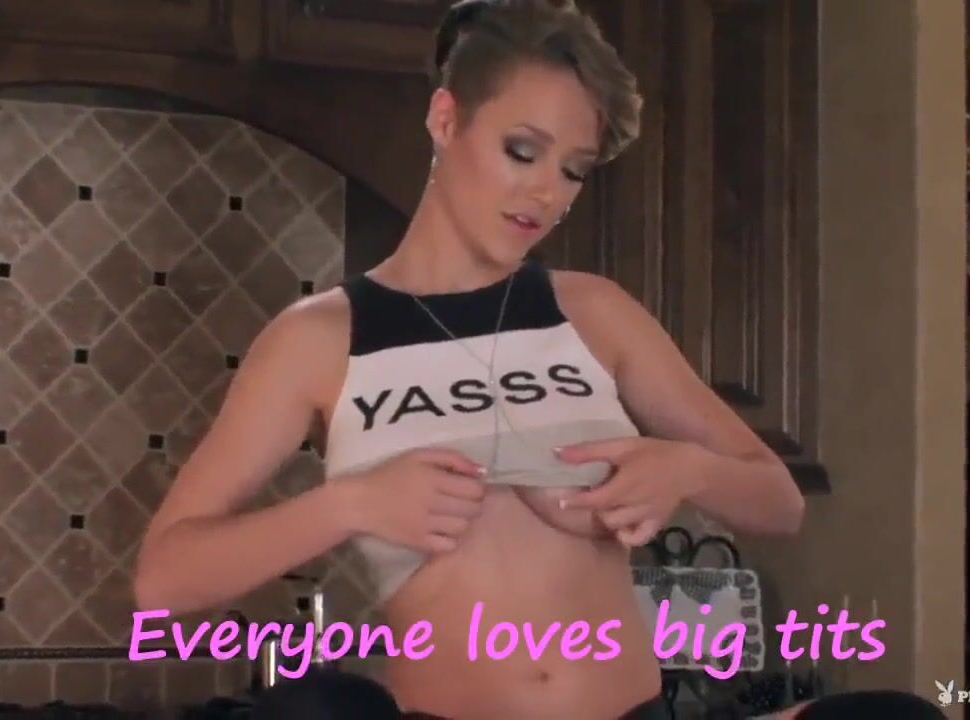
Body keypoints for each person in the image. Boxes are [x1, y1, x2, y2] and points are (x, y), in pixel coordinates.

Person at [134, 0, 806, 717]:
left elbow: (780, 502)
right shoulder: (321, 338)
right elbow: (163, 580)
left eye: (573, 171)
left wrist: (685, 469)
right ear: (446, 119)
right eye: (521, 150)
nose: (546, 193)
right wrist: (351, 504)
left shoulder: (595, 312)